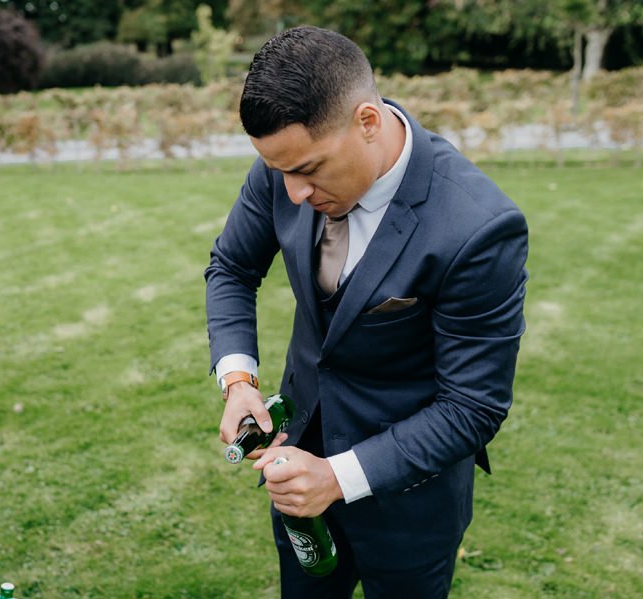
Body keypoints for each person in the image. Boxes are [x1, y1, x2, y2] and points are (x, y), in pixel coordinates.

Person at [203, 26, 528, 597]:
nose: (294, 192)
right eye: (280, 171)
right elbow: (232, 267)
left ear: (368, 123)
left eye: (309, 169)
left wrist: (337, 476)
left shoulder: (478, 227)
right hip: (296, 475)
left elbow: (473, 405)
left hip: (410, 504)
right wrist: (238, 380)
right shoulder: (284, 166)